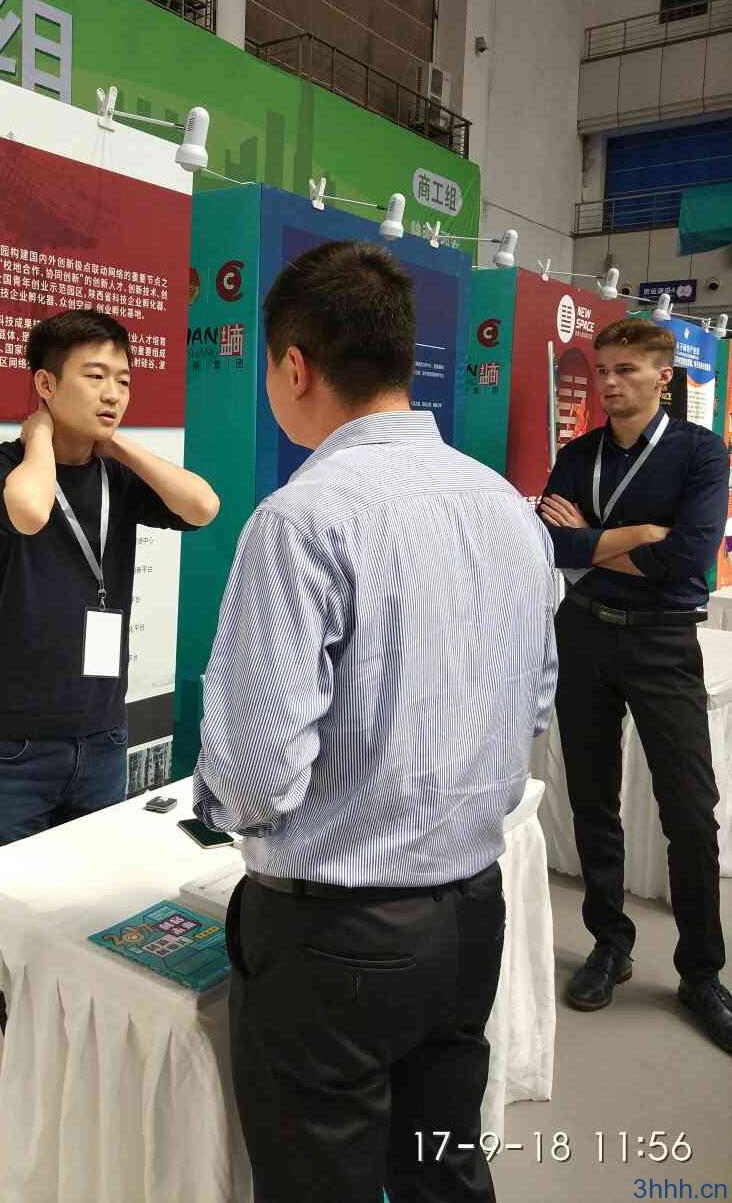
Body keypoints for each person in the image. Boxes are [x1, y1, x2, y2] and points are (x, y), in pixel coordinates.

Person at [193, 239, 558, 1203]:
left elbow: (257, 776)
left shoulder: (302, 518)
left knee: (323, 1181)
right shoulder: (508, 509)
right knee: (444, 1168)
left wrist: (221, 805)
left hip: (335, 938)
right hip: (471, 911)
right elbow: (534, 701)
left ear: (295, 367)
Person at [0, 308, 220, 854]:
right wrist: (40, 436)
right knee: (5, 898)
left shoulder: (114, 476)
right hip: (13, 746)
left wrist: (117, 446)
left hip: (102, 737)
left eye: (123, 381)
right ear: (46, 384)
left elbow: (203, 507)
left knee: (88, 893)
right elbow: (30, 510)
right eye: (95, 376)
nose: (113, 394)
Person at [539, 318, 732, 1053]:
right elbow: (551, 543)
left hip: (662, 640)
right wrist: (639, 536)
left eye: (627, 370)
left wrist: (592, 539)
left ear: (663, 378)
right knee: (592, 799)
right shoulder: (578, 453)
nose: (610, 382)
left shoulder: (699, 453)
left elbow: (689, 560)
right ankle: (609, 943)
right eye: (603, 370)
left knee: (690, 810)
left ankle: (701, 973)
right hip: (585, 632)